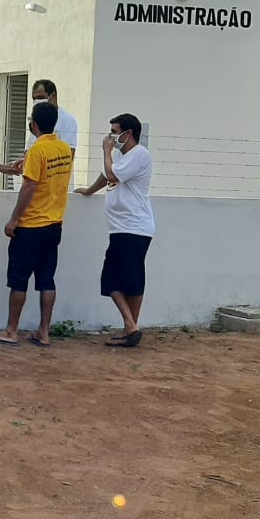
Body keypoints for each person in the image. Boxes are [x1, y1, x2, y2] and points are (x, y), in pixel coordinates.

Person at [0, 101, 73, 347]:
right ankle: (44, 332)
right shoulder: (64, 148)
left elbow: (30, 186)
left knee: (19, 280)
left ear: (33, 124)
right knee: (47, 280)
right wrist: (26, 159)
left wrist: (14, 218)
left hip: (31, 225)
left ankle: (11, 330)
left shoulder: (38, 150)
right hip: (54, 223)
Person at [76, 114, 155, 348]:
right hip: (124, 228)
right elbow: (106, 175)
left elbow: (112, 174)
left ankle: (131, 326)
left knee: (113, 279)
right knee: (128, 280)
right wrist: (90, 190)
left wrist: (106, 151)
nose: (111, 136)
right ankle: (131, 327)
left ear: (128, 133)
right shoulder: (122, 156)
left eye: (114, 131)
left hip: (132, 227)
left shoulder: (139, 154)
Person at [32, 78, 79, 160]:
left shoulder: (67, 120)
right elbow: (30, 150)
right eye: (34, 99)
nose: (37, 101)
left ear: (53, 96)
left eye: (40, 97)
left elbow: (68, 155)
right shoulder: (37, 120)